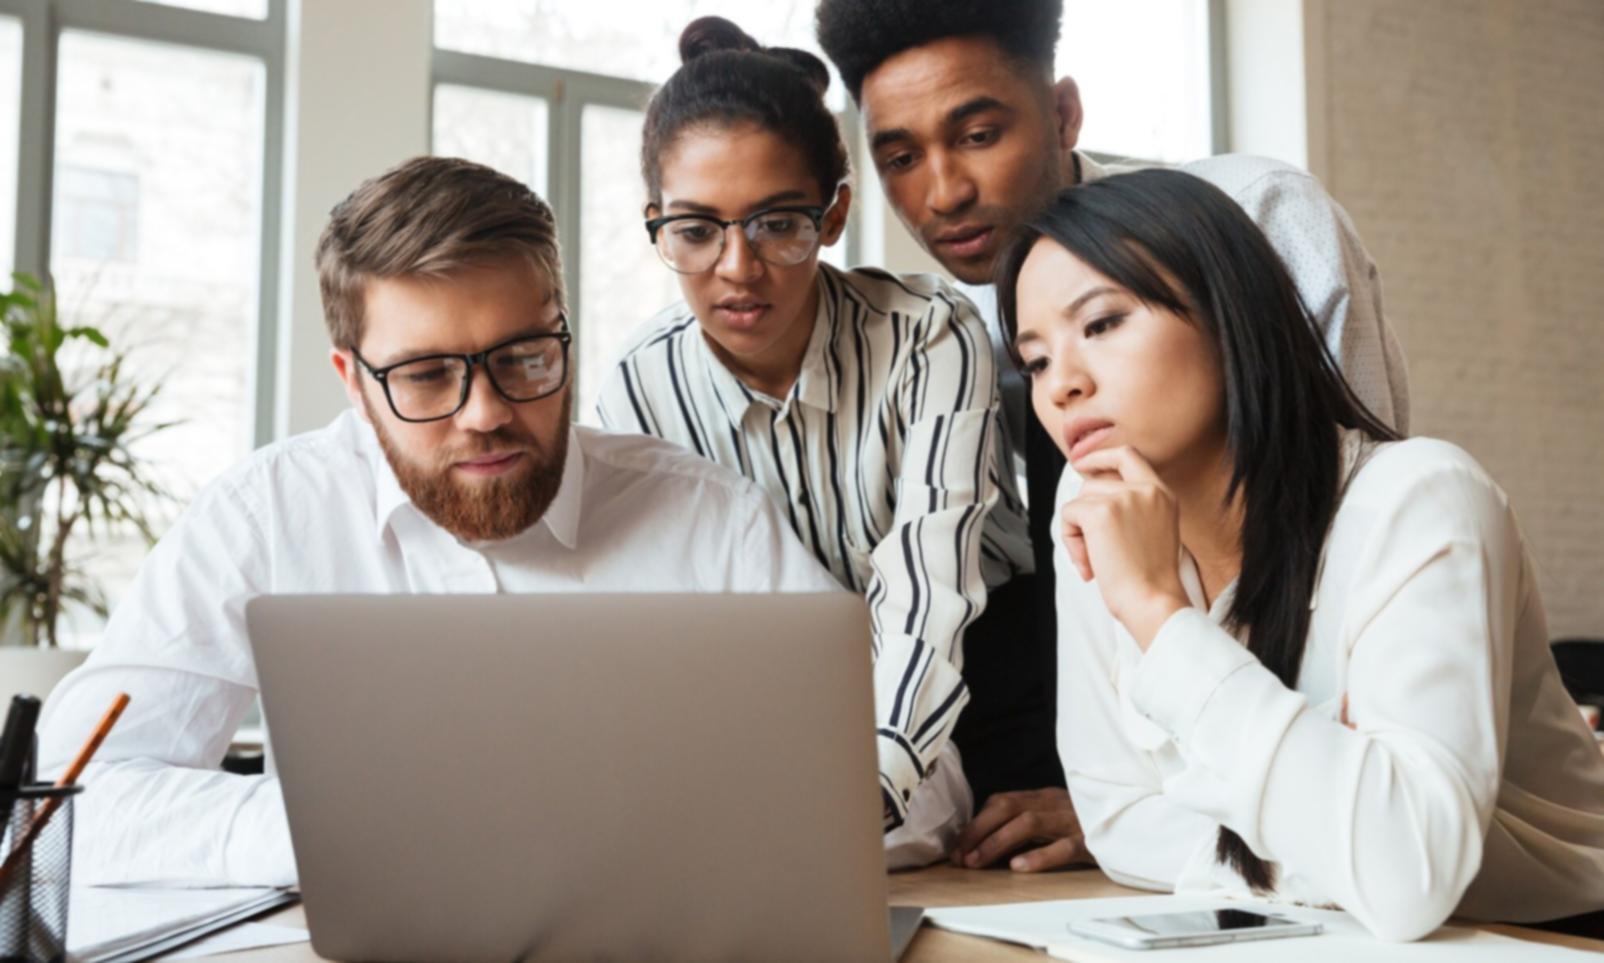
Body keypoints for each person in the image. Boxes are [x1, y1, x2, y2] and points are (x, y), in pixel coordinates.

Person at [37, 156, 842, 886]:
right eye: (426, 376)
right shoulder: (265, 515)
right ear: (352, 382)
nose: (486, 413)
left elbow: (895, 778)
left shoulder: (710, 517)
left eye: (525, 357)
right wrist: (350, 832)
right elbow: (71, 808)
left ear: (564, 333)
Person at [815, 0, 1412, 873]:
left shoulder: (1255, 218)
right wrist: (1108, 803)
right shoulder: (944, 337)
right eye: (898, 157)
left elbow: (1355, 536)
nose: (942, 193)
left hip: (1329, 776)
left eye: (978, 133)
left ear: (1063, 113)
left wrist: (1159, 808)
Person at [998, 168, 1604, 940]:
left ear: (1232, 317)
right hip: (1320, 937)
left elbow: (1407, 872)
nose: (1062, 386)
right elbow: (1116, 817)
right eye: (1037, 359)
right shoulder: (1090, 513)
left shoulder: (1421, 499)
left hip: (1556, 937)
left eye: (1104, 322)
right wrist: (1336, 835)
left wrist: (1158, 613)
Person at [595, 17, 1039, 867]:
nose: (736, 267)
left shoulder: (928, 336)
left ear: (832, 213)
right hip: (785, 712)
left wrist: (855, 796)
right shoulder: (640, 384)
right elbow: (663, 622)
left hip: (986, 679)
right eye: (695, 230)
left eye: (775, 223)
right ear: (656, 224)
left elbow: (927, 583)